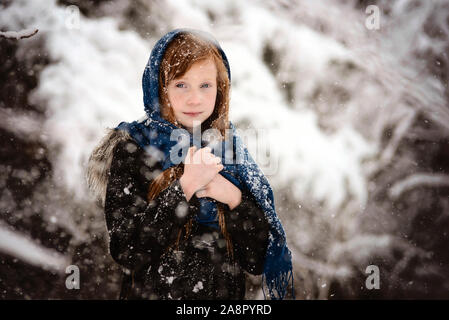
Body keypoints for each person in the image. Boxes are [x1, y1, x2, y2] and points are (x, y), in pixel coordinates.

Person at [87, 28, 293, 300]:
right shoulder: (133, 148)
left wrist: (232, 196)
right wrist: (186, 186)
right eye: (181, 84)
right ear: (160, 87)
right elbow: (127, 250)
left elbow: (256, 259)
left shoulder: (229, 152)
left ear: (221, 89)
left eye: (205, 85)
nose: (194, 98)